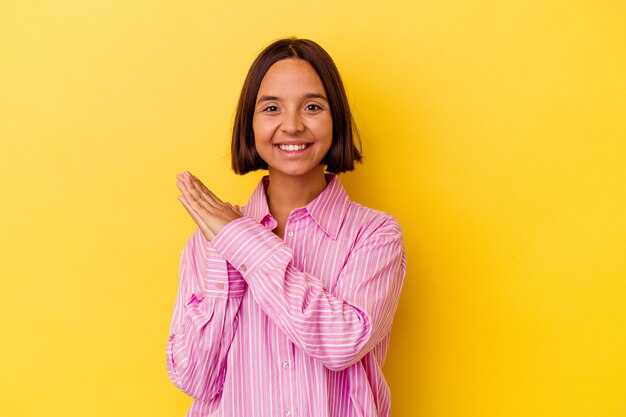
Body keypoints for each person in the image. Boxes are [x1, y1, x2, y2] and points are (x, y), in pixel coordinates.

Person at [167, 38, 406, 417]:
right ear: (251, 122)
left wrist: (243, 242)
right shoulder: (207, 241)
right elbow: (193, 377)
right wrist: (228, 246)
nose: (292, 125)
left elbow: (342, 341)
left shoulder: (375, 235)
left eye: (312, 107)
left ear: (336, 119)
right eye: (272, 108)